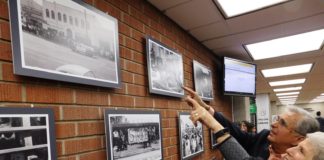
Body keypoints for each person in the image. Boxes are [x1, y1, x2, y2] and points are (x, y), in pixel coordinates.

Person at [183, 86, 319, 159]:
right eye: (277, 119)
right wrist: (208, 109)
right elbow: (237, 133)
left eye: (282, 123)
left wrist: (211, 122)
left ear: (299, 139)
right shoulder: (264, 137)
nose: (273, 124)